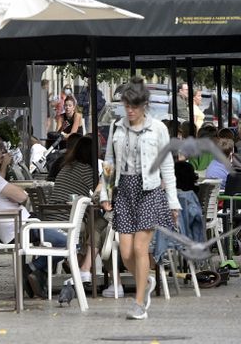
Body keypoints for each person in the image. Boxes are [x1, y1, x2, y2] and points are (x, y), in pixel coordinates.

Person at [100, 77, 179, 320]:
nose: (130, 111)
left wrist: (173, 201)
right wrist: (106, 193)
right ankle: (146, 280)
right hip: (124, 190)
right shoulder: (118, 126)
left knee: (139, 247)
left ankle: (139, 302)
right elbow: (110, 162)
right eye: (127, 106)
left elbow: (167, 165)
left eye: (134, 106)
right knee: (125, 254)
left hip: (149, 190)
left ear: (144, 105)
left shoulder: (158, 129)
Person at [0, 138, 67, 299]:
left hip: (8, 228)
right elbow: (22, 196)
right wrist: (14, 191)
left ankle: (37, 275)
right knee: (67, 243)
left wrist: (3, 168)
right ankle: (31, 269)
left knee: (54, 239)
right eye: (0, 158)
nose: (1, 162)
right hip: (20, 227)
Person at [50, 135, 99, 282]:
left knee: (93, 225)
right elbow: (99, 194)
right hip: (66, 218)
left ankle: (79, 265)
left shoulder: (66, 167)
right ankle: (82, 267)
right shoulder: (86, 170)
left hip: (52, 216)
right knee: (97, 226)